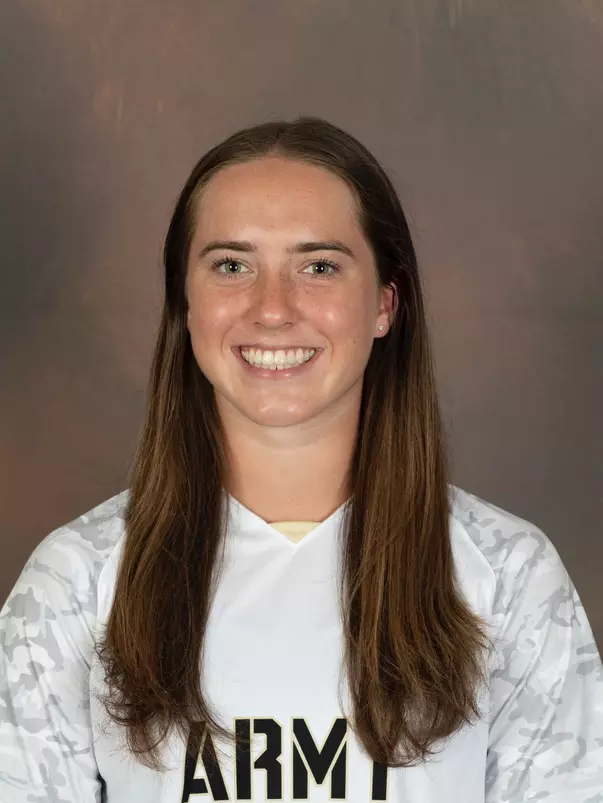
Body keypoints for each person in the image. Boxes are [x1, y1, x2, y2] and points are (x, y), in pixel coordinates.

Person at [1, 117, 602, 803]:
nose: (272, 309)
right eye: (232, 265)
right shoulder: (76, 583)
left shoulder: (510, 576)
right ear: (184, 302)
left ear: (384, 303)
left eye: (318, 266)